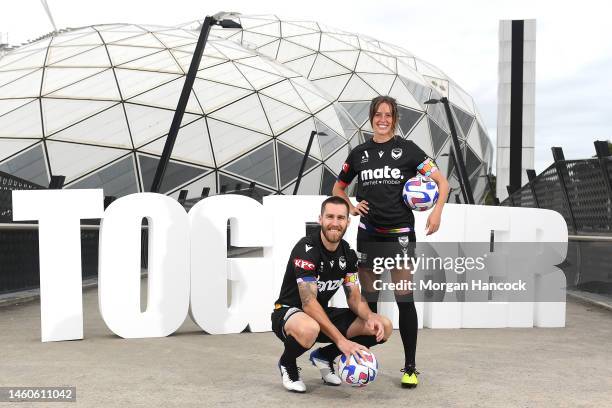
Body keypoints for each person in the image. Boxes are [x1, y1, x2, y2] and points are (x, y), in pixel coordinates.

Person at [332, 95, 449, 388]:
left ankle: (410, 367)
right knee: (368, 304)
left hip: (400, 238)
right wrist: (350, 206)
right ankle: (361, 359)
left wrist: (436, 213)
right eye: (378, 114)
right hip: (369, 235)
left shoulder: (408, 151)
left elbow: (442, 183)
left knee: (404, 300)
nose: (383, 119)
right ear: (371, 117)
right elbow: (338, 187)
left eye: (388, 115)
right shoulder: (359, 153)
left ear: (395, 119)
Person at [271, 196, 393, 393]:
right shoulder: (306, 249)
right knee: (309, 327)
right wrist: (341, 340)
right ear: (320, 219)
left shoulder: (348, 254)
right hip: (289, 312)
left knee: (383, 326)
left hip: (321, 314)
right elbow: (309, 303)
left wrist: (370, 316)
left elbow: (353, 297)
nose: (335, 223)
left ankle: (324, 356)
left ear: (348, 221)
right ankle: (287, 363)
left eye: (340, 218)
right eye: (329, 217)